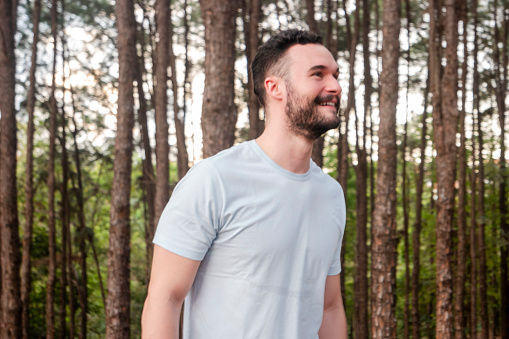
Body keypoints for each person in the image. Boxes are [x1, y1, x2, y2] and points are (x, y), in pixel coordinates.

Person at [141, 29, 347, 339]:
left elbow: (329, 307)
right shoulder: (215, 180)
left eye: (335, 74)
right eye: (318, 75)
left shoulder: (331, 195)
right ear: (275, 87)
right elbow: (164, 299)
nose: (335, 86)